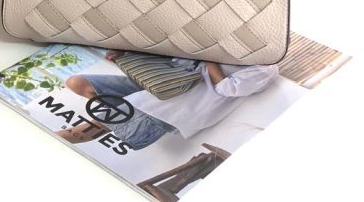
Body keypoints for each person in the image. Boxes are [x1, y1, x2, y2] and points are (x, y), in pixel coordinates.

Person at [57, 51, 280, 150]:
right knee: (77, 83)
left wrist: (210, 58)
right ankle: (121, 118)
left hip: (179, 104)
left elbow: (228, 88)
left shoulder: (264, 67)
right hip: (160, 80)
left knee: (100, 124)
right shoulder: (228, 38)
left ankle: (74, 134)